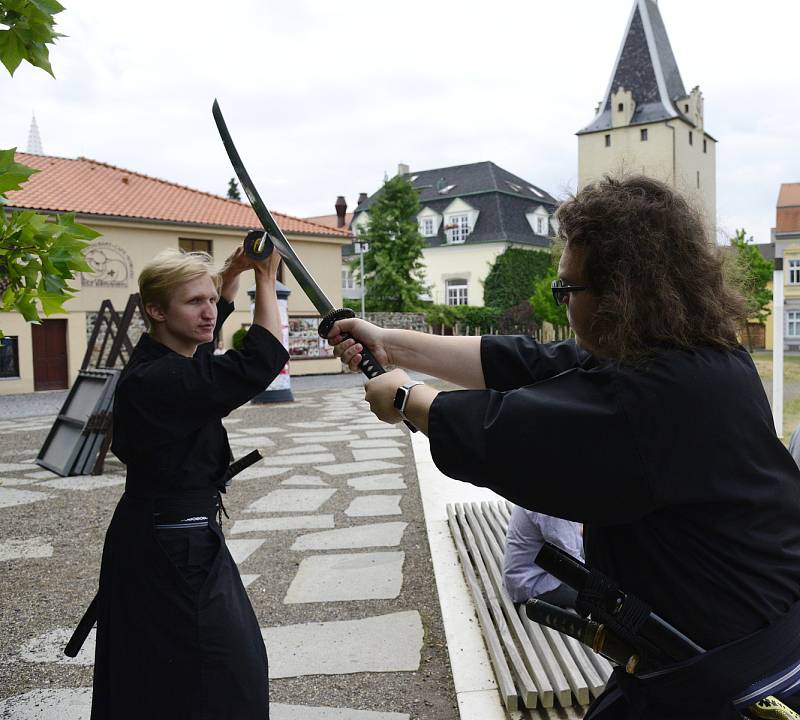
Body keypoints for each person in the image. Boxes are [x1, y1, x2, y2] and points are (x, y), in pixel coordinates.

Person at [327, 176, 800, 719]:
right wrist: (391, 343)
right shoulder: (702, 358)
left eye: (568, 290)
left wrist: (410, 397)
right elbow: (534, 363)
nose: (565, 304)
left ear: (620, 295)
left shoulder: (649, 399)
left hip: (723, 683)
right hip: (730, 650)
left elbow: (513, 434)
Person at [90, 246, 288, 719]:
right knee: (221, 670)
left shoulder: (168, 362)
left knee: (170, 669)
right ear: (156, 311)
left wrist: (233, 274)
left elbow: (207, 342)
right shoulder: (158, 380)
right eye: (193, 302)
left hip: (171, 535)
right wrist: (266, 278)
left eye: (211, 300)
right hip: (172, 544)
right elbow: (261, 362)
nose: (209, 312)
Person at [502, 506, 582, 608]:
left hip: (520, 575)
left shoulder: (539, 493)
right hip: (532, 585)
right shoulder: (554, 507)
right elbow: (573, 564)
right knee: (601, 599)